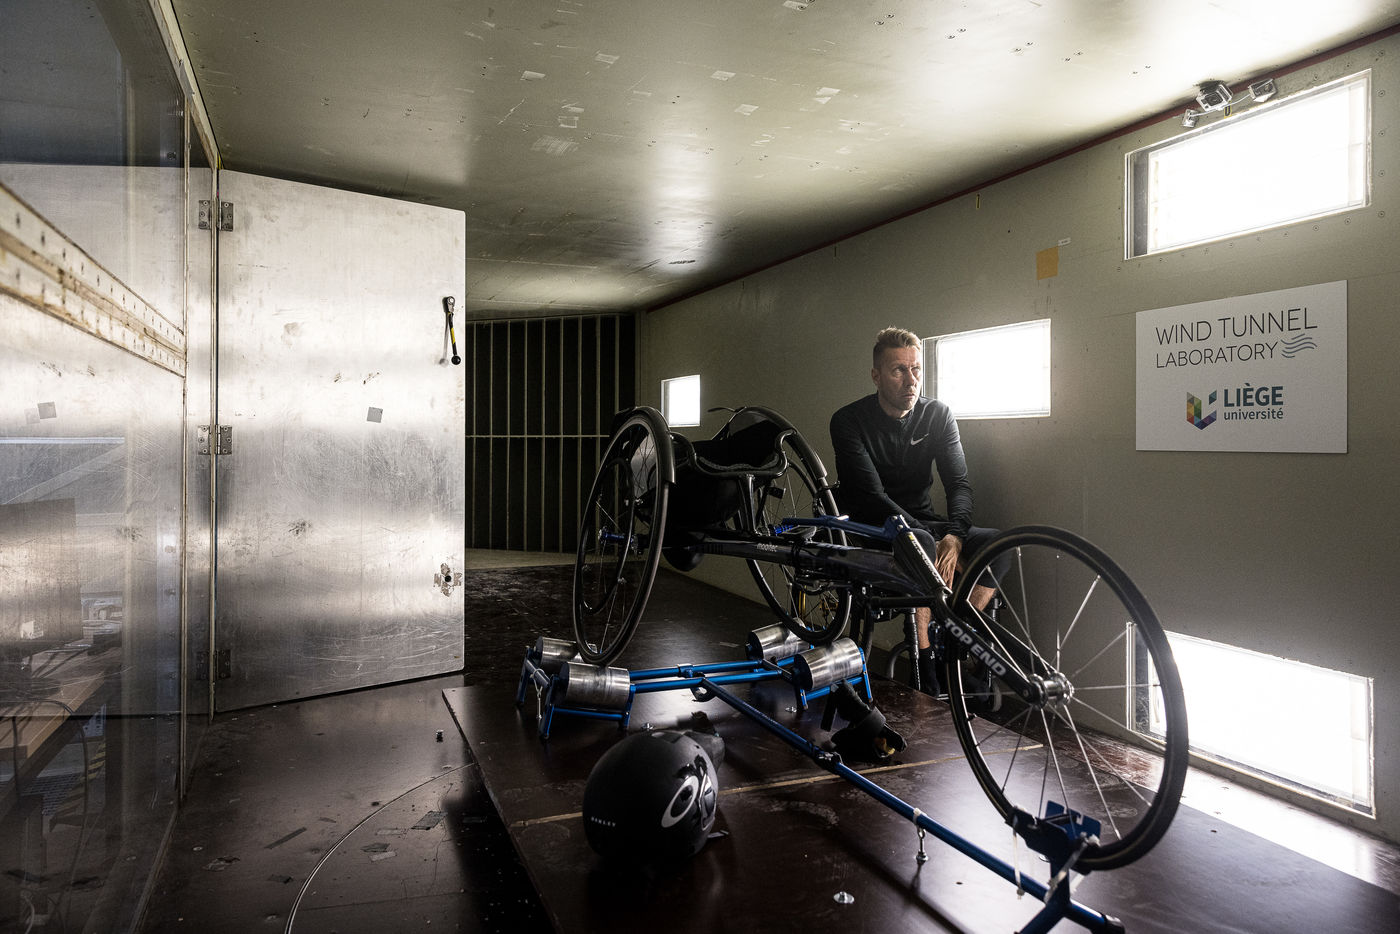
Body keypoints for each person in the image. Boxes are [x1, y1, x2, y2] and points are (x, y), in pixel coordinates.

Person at [829, 327, 999, 694]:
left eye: (916, 369)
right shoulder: (848, 420)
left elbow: (959, 484)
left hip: (926, 523)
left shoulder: (938, 414)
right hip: (873, 527)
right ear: (876, 376)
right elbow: (873, 496)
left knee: (996, 545)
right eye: (899, 370)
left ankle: (953, 644)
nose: (911, 380)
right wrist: (934, 539)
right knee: (920, 541)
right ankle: (926, 663)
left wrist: (954, 535)